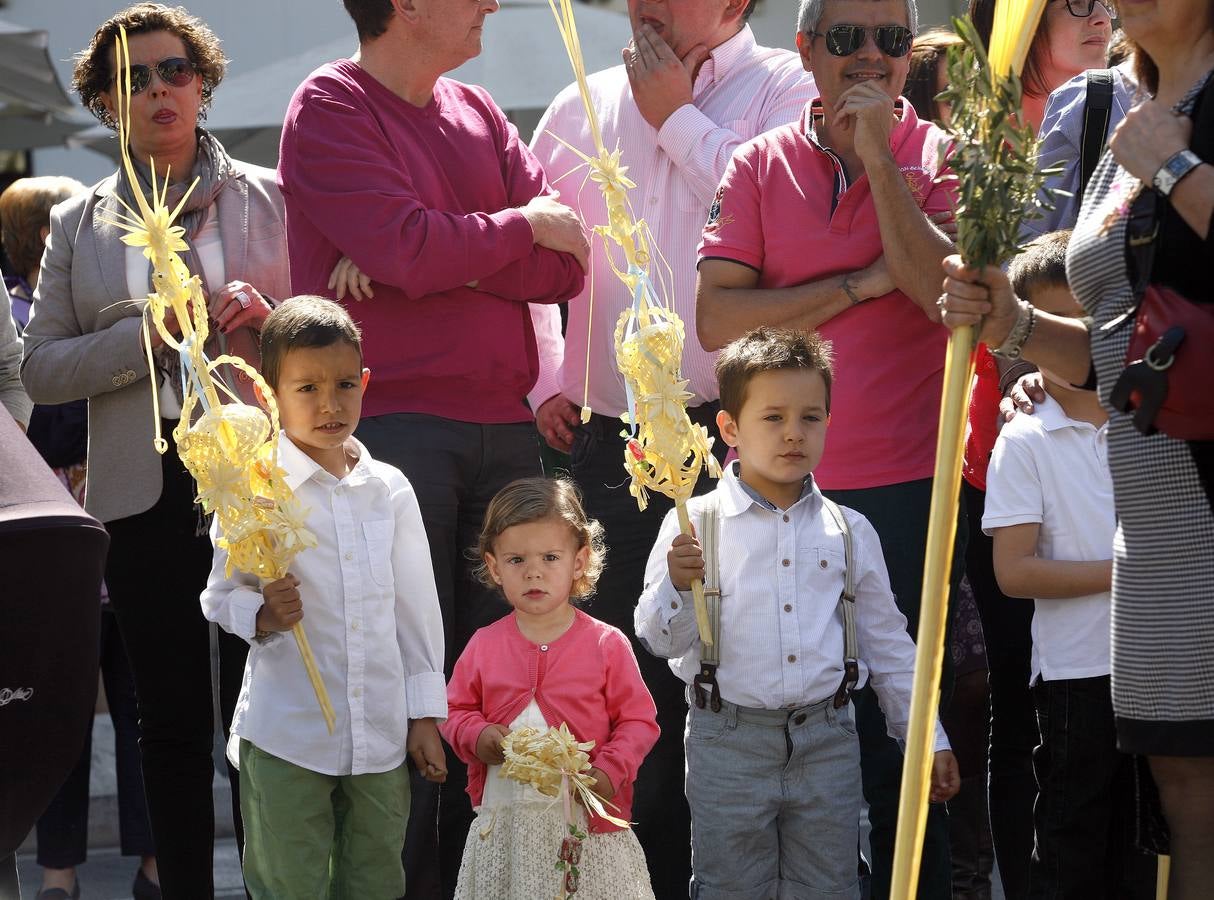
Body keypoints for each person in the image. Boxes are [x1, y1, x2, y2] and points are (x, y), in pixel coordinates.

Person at [277, 2, 588, 891]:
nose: (491, 2)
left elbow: (565, 266)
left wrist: (433, 251)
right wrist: (513, 227)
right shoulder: (329, 105)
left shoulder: (481, 111)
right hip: (396, 434)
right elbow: (429, 247)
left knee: (510, 684)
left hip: (506, 432)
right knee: (411, 686)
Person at [525, 2, 816, 889]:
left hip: (745, 436)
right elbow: (536, 248)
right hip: (607, 440)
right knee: (618, 681)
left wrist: (676, 120)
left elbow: (787, 216)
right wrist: (546, 380)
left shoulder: (788, 87)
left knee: (741, 671)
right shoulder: (578, 99)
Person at [939, 5, 1214, 897]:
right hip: (1159, 514)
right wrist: (1012, 322)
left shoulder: (1169, 123)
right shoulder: (1111, 104)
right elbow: (1114, 345)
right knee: (1183, 791)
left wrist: (1174, 164)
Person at [20, 4, 290, 894]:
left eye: (174, 70)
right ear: (106, 102)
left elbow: (325, 342)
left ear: (203, 83)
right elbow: (45, 369)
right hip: (141, 487)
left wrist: (270, 325)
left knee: (269, 711)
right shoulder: (80, 221)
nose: (158, 90)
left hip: (256, 482)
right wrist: (142, 332)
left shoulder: (268, 195)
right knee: (168, 719)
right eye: (132, 79)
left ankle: (272, 883)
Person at [694, 1, 960, 894]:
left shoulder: (946, 160)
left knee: (909, 746)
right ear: (805, 51)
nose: (871, 58)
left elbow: (937, 297)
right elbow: (718, 320)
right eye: (847, 39)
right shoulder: (758, 164)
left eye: (891, 41)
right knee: (788, 746)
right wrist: (856, 285)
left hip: (914, 488)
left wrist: (882, 158)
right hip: (777, 499)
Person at [635, 327, 959, 898]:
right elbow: (659, 639)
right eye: (773, 417)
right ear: (730, 428)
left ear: (830, 422)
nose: (793, 434)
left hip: (826, 742)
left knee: (829, 886)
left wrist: (927, 739)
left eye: (811, 417)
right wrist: (681, 588)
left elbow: (888, 645)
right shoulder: (694, 523)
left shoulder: (849, 531)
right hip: (727, 742)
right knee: (730, 888)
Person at [199, 296, 447, 897]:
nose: (329, 405)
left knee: (376, 880)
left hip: (380, 734)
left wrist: (423, 714)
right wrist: (259, 613)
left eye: (343, 385)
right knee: (290, 884)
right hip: (289, 736)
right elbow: (217, 594)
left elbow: (416, 610)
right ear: (269, 397)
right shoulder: (253, 489)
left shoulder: (389, 489)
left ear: (364, 383)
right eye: (306, 388)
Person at [983, 231, 1156, 899]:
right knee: (1070, 842)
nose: (1074, 340)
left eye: (1086, 321)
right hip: (1074, 679)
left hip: (1155, 672)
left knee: (1146, 845)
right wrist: (1122, 574)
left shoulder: (1153, 418)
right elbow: (1014, 572)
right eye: (1050, 326)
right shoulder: (1024, 439)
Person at [2, 175, 159, 900]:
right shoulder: (27, 320)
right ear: (47, 236)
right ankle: (57, 873)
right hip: (54, 554)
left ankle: (155, 865)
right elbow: (52, 418)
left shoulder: (89, 317)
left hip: (118, 537)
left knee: (138, 713)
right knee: (53, 714)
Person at [442, 477, 659, 900]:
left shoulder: (606, 644)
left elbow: (639, 722)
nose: (534, 571)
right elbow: (454, 710)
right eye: (517, 559)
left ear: (579, 563)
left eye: (550, 557)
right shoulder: (484, 645)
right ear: (494, 567)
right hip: (507, 828)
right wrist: (477, 734)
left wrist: (609, 771)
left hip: (586, 825)